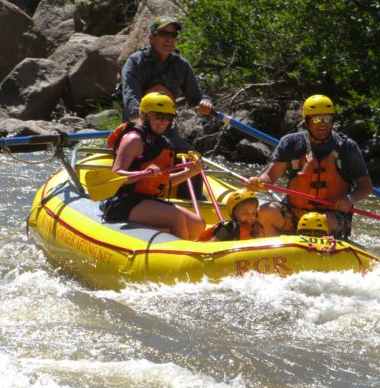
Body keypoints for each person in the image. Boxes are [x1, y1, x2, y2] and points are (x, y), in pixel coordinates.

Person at [248, 94, 373, 238]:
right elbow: (270, 175)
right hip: (294, 211)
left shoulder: (347, 147)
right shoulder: (290, 143)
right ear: (307, 120)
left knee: (318, 222)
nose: (323, 124)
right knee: (264, 211)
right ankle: (276, 253)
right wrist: (259, 182)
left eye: (327, 119)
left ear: (333, 121)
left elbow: (365, 185)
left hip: (331, 215)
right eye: (317, 119)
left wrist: (350, 198)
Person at [121, 15, 213, 199]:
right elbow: (130, 96)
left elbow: (196, 96)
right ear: (151, 37)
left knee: (191, 156)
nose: (169, 39)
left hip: (165, 127)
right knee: (150, 150)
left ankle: (190, 202)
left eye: (173, 34)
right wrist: (142, 129)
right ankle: (131, 196)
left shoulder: (181, 65)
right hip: (137, 127)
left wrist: (205, 103)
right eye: (163, 34)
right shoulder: (135, 62)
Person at [100, 92, 205, 240]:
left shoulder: (161, 142)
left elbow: (163, 183)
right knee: (176, 217)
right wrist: (144, 173)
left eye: (168, 118)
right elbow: (116, 175)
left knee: (198, 224)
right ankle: (182, 256)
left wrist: (190, 172)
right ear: (146, 115)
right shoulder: (133, 140)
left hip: (149, 200)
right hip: (123, 201)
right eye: (159, 116)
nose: (164, 122)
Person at [198, 189, 264, 241]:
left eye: (253, 213)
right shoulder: (229, 228)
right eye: (244, 213)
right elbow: (211, 246)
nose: (250, 217)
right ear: (233, 214)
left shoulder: (257, 227)